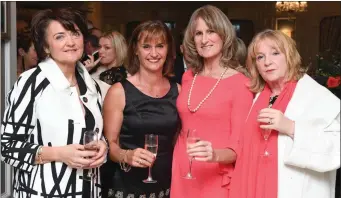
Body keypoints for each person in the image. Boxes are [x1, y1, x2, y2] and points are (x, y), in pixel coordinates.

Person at [1, 8, 108, 198]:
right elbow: (7, 146)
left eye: (75, 34)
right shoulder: (31, 83)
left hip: (88, 190)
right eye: (60, 37)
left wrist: (103, 146)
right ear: (46, 47)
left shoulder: (92, 86)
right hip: (44, 191)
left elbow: (94, 133)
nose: (71, 42)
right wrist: (60, 154)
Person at [229, 29, 340, 198]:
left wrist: (291, 127)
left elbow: (335, 149)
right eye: (260, 57)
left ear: (289, 56)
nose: (267, 62)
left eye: (275, 53)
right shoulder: (255, 97)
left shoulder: (317, 96)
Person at [171, 5, 254, 198]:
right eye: (198, 33)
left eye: (211, 31)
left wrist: (214, 155)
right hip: (183, 170)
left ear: (224, 35)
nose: (204, 39)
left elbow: (238, 148)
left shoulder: (241, 83)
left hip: (215, 174)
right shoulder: (188, 76)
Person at [102, 20, 180, 198]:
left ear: (168, 50)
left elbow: (177, 141)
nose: (154, 53)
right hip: (127, 186)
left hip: (166, 185)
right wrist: (126, 155)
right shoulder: (118, 91)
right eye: (146, 46)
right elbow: (109, 145)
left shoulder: (178, 90)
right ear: (136, 50)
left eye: (160, 46)